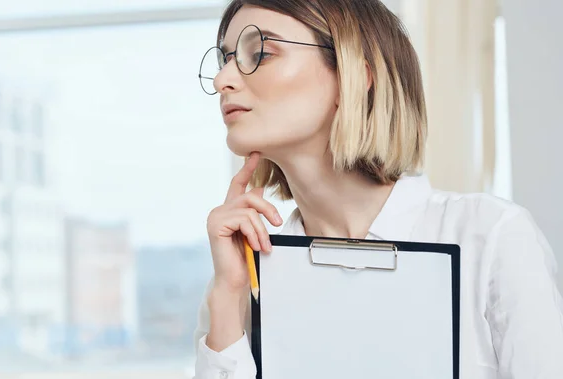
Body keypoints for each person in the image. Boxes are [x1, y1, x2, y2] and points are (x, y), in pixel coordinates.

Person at [193, 0, 563, 378]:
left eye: (261, 53)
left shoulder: (491, 237)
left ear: (355, 76)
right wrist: (227, 301)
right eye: (225, 60)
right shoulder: (240, 282)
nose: (223, 79)